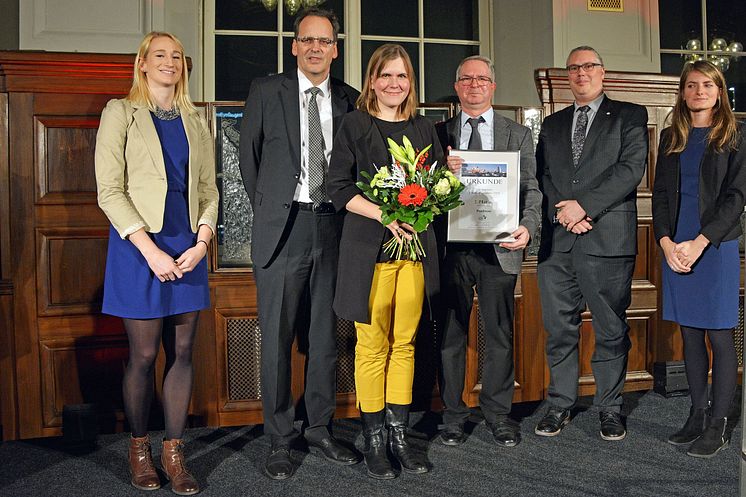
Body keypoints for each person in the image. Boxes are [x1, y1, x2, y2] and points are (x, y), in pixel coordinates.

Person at [238, 7, 360, 480]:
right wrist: (274, 208)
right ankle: (279, 438)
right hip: (282, 230)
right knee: (277, 341)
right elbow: (249, 161)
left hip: (333, 229)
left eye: (324, 41)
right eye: (306, 40)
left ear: (335, 48)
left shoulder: (351, 100)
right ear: (294, 46)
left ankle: (319, 429)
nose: (315, 48)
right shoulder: (267, 92)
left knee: (325, 339)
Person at [95, 31, 219, 495]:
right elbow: (109, 190)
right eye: (159, 55)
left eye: (176, 57)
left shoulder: (195, 119)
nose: (169, 62)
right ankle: (139, 448)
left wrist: (203, 242)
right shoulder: (119, 112)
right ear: (143, 63)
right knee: (145, 355)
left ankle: (174, 452)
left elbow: (208, 190)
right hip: (138, 247)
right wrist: (150, 250)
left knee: (183, 352)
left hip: (187, 247)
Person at [327, 43, 444, 479]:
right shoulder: (353, 125)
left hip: (413, 254)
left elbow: (435, 188)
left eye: (402, 77)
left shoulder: (424, 128)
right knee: (372, 345)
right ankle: (375, 440)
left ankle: (400, 437)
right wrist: (386, 214)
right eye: (386, 75)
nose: (394, 84)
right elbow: (337, 187)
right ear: (372, 80)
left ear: (410, 83)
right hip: (368, 253)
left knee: (406, 344)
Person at [535, 46, 648, 441]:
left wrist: (584, 208)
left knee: (610, 329)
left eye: (589, 66)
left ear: (602, 72)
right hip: (558, 241)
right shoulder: (551, 124)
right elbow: (542, 176)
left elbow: (631, 169)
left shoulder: (631, 115)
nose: (581, 73)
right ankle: (561, 402)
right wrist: (561, 213)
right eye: (574, 68)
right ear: (568, 76)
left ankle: (610, 408)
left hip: (607, 240)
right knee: (559, 329)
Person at [435, 55, 542, 448]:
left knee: (499, 334)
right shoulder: (438, 132)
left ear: (493, 86)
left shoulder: (518, 134)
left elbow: (532, 189)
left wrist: (528, 228)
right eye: (467, 78)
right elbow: (426, 193)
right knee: (450, 336)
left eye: (482, 79)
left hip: (501, 246)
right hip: (452, 249)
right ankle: (452, 415)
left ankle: (498, 415)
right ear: (458, 85)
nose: (475, 84)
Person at [652, 60, 745, 458]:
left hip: (715, 246)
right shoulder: (672, 135)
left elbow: (737, 198)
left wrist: (700, 242)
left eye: (708, 85)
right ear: (683, 92)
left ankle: (720, 424)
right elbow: (659, 195)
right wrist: (667, 243)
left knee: (719, 336)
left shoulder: (736, 135)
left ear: (719, 91)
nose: (699, 91)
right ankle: (697, 414)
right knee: (689, 334)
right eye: (692, 85)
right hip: (676, 247)